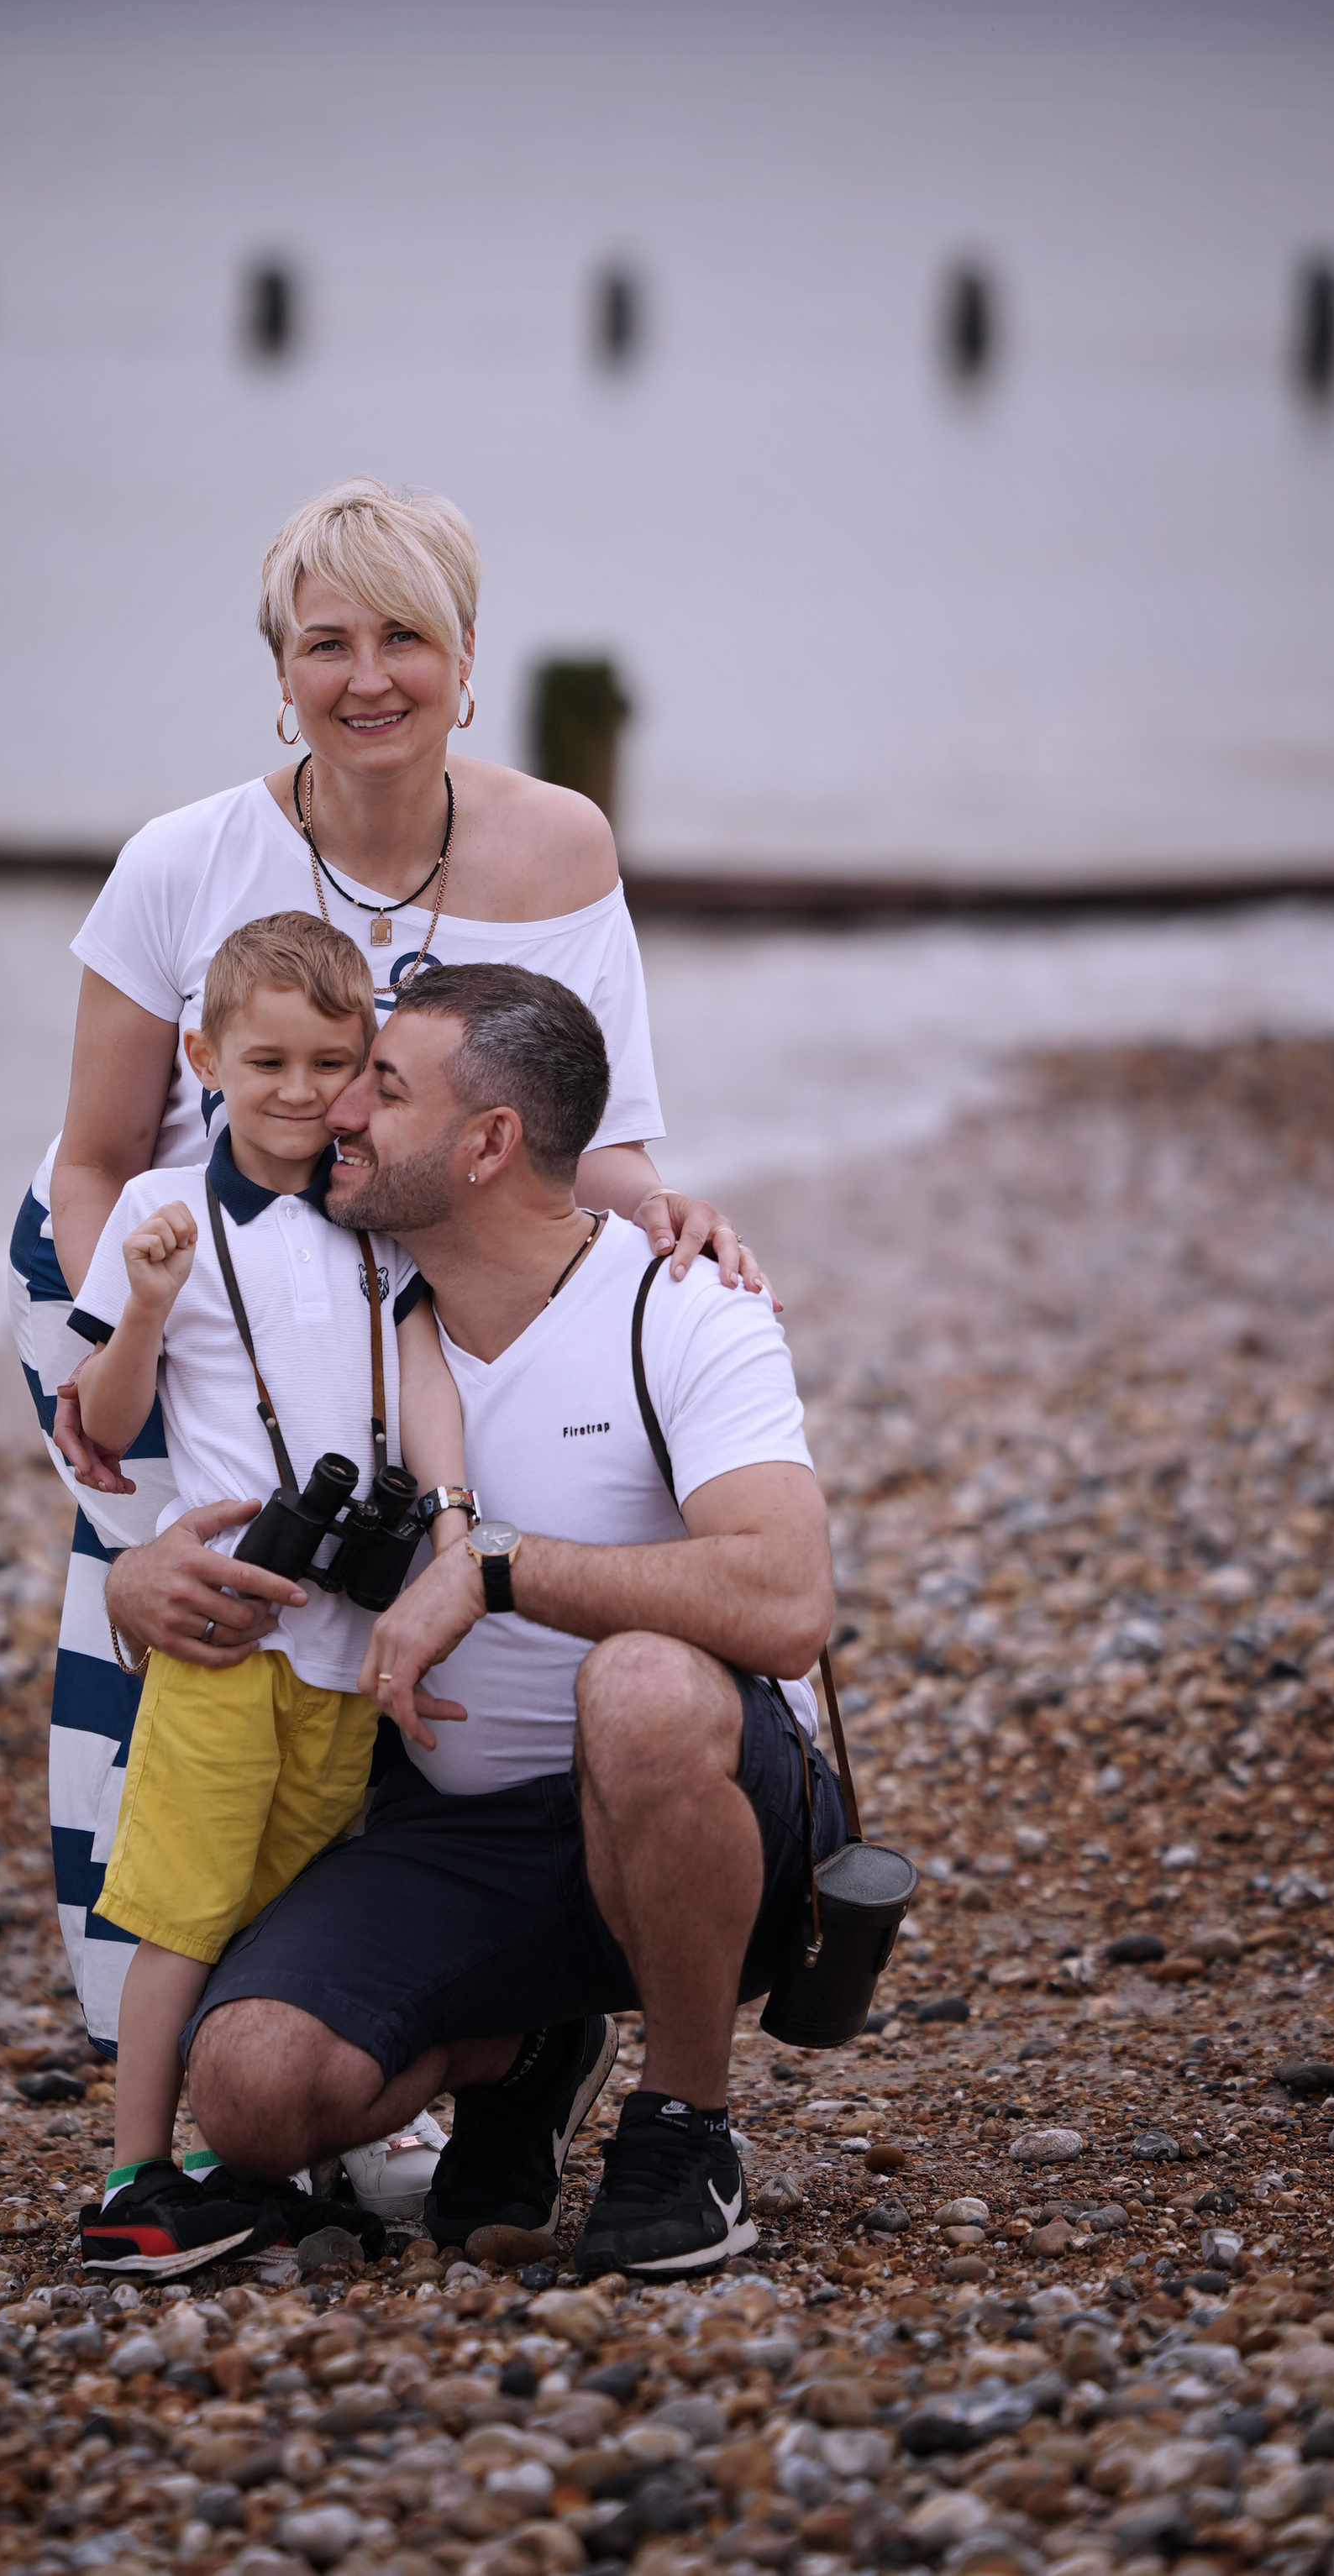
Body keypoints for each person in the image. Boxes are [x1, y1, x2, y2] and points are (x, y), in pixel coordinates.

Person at [8, 477, 768, 2059]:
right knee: (165, 1787)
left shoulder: (559, 847)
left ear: (469, 655)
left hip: (385, 1317)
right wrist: (131, 1468)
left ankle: (488, 2013)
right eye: (325, 641)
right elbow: (88, 1160)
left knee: (384, 1666)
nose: (367, 678)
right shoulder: (176, 864)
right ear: (279, 664)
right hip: (173, 1306)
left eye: (404, 637)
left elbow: (589, 1140)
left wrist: (672, 1213)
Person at [108, 964, 842, 2280]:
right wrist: (133, 1581)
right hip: (459, 1834)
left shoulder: (678, 1305)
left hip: (706, 1799)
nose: (338, 1106)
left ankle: (686, 2126)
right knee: (254, 2095)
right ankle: (535, 2042)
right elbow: (184, 1454)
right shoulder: (348, 1305)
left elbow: (789, 1600)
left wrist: (497, 1566)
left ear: (489, 1141)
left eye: (382, 1085)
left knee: (642, 1690)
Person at [60, 914, 472, 2277]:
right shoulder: (155, 1213)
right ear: (202, 1056)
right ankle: (130, 2175)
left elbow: (423, 1390)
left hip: (343, 1641)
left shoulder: (375, 1221)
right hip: (230, 1633)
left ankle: (253, 2169)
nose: (300, 1092)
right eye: (267, 1061)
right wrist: (142, 1301)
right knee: (182, 1899)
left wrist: (454, 1524)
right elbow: (106, 1424)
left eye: (331, 1063)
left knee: (284, 1902)